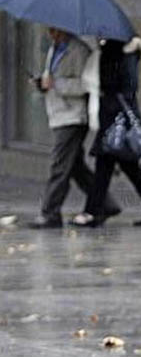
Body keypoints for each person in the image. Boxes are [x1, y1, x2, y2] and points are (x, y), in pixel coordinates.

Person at [29, 28, 121, 229]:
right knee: (75, 166)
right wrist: (43, 84)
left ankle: (50, 212)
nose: (51, 34)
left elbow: (84, 84)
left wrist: (57, 84)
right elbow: (52, 76)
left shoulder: (78, 51)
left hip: (73, 116)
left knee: (60, 164)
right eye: (49, 30)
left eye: (55, 30)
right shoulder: (55, 49)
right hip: (58, 113)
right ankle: (106, 203)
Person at [71, 37, 141, 227]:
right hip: (116, 117)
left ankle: (92, 211)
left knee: (104, 166)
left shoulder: (120, 54)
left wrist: (104, 81)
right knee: (129, 168)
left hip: (116, 119)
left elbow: (123, 86)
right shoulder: (120, 53)